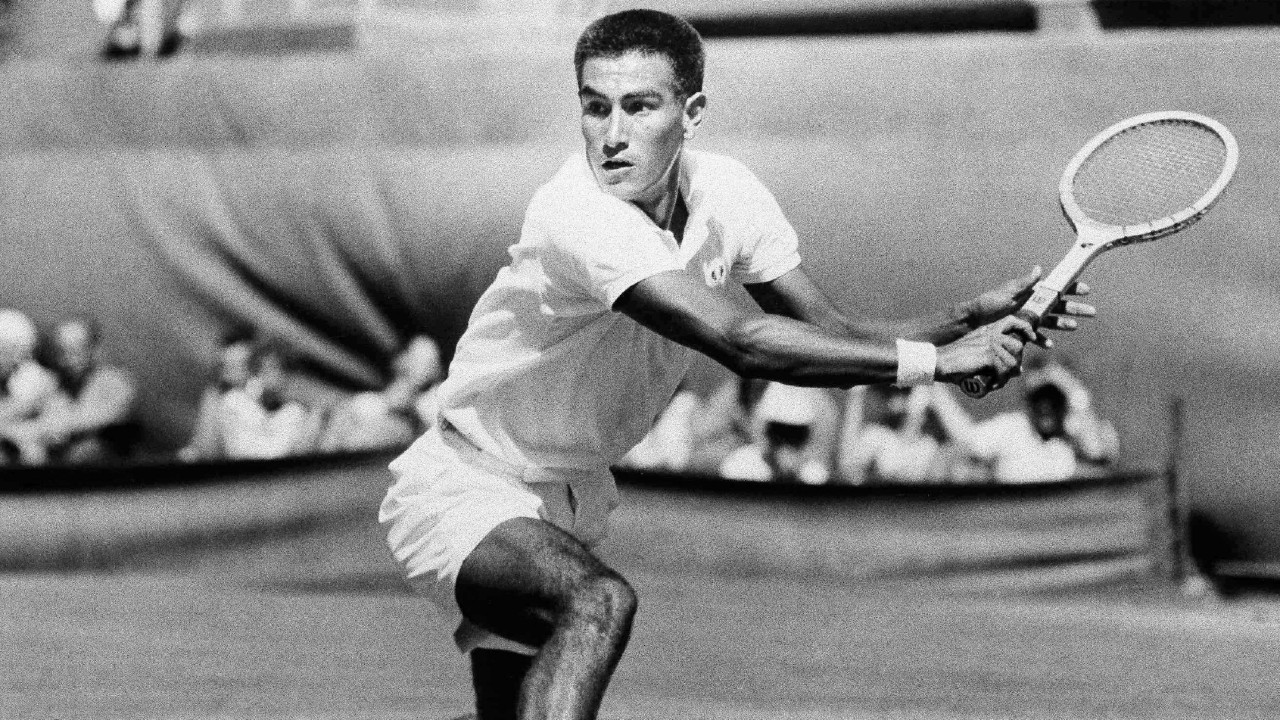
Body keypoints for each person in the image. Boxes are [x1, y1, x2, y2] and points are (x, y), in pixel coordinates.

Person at [377, 10, 1093, 719]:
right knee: (597, 603)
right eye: (595, 109)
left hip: (569, 497)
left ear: (691, 113)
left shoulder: (730, 193)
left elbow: (833, 333)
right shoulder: (580, 215)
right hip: (464, 486)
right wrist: (937, 363)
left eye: (640, 106)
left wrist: (965, 323)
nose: (613, 135)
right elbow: (743, 341)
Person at [929, 355, 1119, 482]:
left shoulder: (1073, 432)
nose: (1046, 407)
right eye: (1039, 399)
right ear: (1029, 401)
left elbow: (1102, 457)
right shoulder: (1012, 427)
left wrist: (1074, 395)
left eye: (1053, 400)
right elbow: (961, 444)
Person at [179, 335, 324, 461]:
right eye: (225, 367)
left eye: (238, 366)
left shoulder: (293, 409)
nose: (229, 375)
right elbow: (203, 446)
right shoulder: (221, 398)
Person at [36, 317, 140, 463]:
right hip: (56, 457)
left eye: (76, 351)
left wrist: (50, 427)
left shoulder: (117, 381)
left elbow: (103, 418)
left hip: (105, 462)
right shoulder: (51, 382)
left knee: (86, 451)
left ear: (93, 349)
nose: (67, 361)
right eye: (61, 352)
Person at [320, 335, 445, 452]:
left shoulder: (428, 408)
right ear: (401, 360)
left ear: (437, 371)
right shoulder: (366, 402)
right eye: (416, 357)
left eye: (431, 362)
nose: (425, 367)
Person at [719, 382, 834, 483]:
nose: (785, 447)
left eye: (794, 435)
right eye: (778, 434)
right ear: (766, 432)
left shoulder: (814, 476)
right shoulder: (740, 467)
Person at [0, 309, 57, 464]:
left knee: (33, 451)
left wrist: (28, 431)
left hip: (32, 451)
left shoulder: (38, 378)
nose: (17, 360)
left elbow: (58, 423)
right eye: (5, 351)